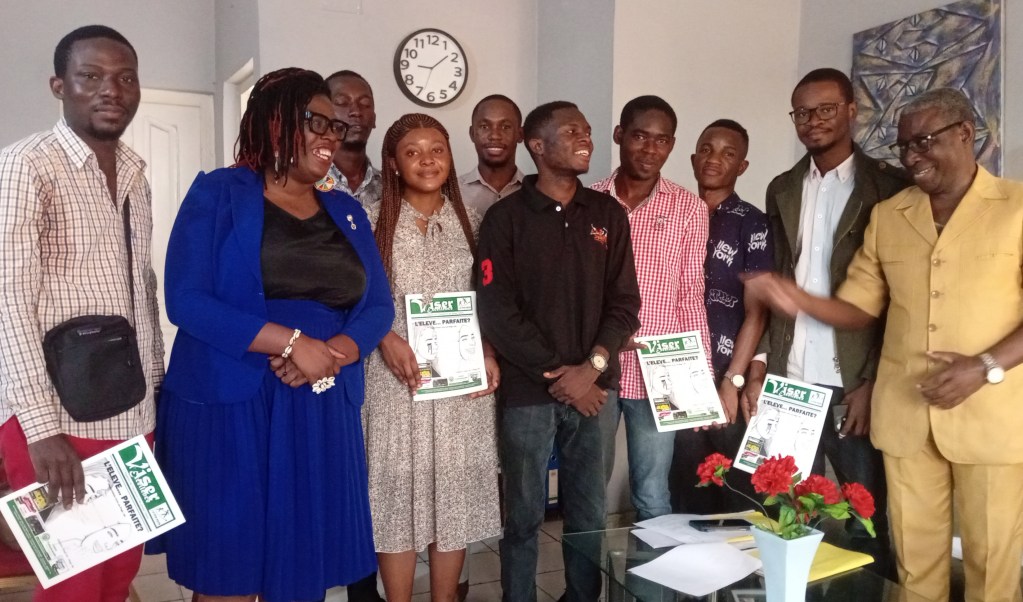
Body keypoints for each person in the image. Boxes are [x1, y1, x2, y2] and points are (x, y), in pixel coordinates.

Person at [746, 87, 1023, 602]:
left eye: (924, 142)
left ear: (966, 134)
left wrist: (983, 366)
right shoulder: (892, 214)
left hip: (989, 413)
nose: (912, 157)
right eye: (904, 147)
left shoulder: (1017, 206)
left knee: (991, 564)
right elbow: (859, 307)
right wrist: (794, 296)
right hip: (906, 414)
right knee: (915, 563)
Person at [149, 68, 394, 602]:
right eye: (319, 122)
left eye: (338, 126)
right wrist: (290, 343)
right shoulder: (218, 192)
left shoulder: (347, 211)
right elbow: (185, 300)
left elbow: (377, 305)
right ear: (275, 121)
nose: (334, 135)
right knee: (230, 563)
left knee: (302, 564)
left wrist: (333, 353)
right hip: (230, 402)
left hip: (318, 403)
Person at [0, 25, 162, 602]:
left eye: (124, 77)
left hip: (128, 409)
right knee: (71, 585)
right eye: (90, 76)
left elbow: (141, 287)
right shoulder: (26, 166)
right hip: (55, 415)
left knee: (117, 579)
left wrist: (155, 394)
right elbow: (8, 300)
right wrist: (41, 431)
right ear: (59, 86)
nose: (110, 90)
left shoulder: (137, 171)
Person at [477, 101, 641, 602]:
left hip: (595, 392)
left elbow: (625, 303)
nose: (586, 138)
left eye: (588, 131)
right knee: (524, 515)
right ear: (537, 144)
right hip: (529, 393)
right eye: (573, 131)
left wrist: (589, 370)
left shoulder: (607, 214)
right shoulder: (504, 219)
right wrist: (560, 375)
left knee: (588, 515)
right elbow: (497, 310)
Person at [748, 68, 909, 570]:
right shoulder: (782, 188)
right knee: (786, 515)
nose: (813, 121)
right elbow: (778, 279)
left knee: (868, 517)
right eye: (802, 112)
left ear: (851, 111)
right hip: (791, 374)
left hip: (851, 380)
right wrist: (760, 369)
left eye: (825, 109)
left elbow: (898, 298)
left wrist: (871, 380)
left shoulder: (887, 187)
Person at [363, 113, 501, 602]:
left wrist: (486, 348)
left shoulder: (474, 219)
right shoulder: (368, 216)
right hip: (393, 381)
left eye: (437, 149)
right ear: (394, 164)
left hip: (459, 383)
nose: (427, 160)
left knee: (454, 495)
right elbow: (351, 295)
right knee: (395, 493)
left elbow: (489, 297)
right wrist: (383, 336)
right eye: (413, 151)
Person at [591, 95, 710, 520]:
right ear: (620, 135)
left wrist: (702, 377)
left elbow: (691, 294)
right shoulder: (588, 202)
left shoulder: (688, 209)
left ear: (672, 146)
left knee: (652, 495)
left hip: (661, 370)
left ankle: (649, 589)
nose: (649, 149)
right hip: (597, 365)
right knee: (588, 489)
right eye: (640, 136)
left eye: (661, 141)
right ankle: (583, 589)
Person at [669, 119, 773, 513]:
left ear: (742, 167)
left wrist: (734, 380)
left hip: (729, 373)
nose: (715, 160)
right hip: (678, 378)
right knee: (687, 494)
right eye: (707, 149)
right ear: (694, 157)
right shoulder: (675, 215)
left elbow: (757, 311)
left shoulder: (752, 222)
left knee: (739, 497)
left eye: (728, 154)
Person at [317, 70, 382, 209]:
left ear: (374, 119)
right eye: (342, 102)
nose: (356, 112)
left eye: (365, 104)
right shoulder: (307, 183)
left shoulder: (390, 188)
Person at [458, 94, 525, 215]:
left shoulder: (536, 192)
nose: (495, 136)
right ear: (472, 134)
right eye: (484, 127)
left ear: (520, 135)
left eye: (505, 127)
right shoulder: (452, 193)